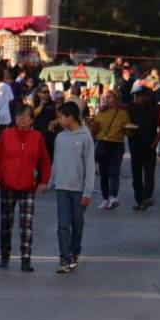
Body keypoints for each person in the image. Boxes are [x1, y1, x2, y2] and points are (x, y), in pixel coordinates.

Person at [0, 105, 51, 272]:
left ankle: (26, 257)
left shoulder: (37, 137)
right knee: (6, 222)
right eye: (19, 116)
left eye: (25, 116)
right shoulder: (6, 134)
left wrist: (44, 181)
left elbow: (45, 161)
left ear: (32, 120)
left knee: (27, 223)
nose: (21, 119)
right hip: (7, 183)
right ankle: (4, 254)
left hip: (28, 185)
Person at [47, 101, 96, 274]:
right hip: (62, 188)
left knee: (77, 224)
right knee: (62, 225)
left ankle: (74, 253)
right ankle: (64, 258)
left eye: (61, 117)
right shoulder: (60, 138)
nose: (58, 120)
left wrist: (87, 192)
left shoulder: (85, 137)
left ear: (71, 117)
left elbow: (90, 166)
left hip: (79, 190)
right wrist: (50, 183)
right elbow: (56, 163)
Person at [90, 90, 130, 209]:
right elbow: (93, 132)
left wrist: (129, 129)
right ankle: (105, 198)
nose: (107, 99)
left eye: (110, 97)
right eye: (106, 97)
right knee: (103, 173)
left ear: (117, 100)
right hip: (103, 144)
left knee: (114, 172)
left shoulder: (123, 114)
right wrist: (92, 124)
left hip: (117, 145)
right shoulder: (100, 113)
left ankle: (113, 197)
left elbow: (128, 130)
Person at [126, 86, 160, 211]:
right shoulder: (131, 108)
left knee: (149, 174)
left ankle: (146, 198)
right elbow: (119, 112)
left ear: (146, 97)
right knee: (136, 175)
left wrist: (154, 144)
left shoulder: (154, 109)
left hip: (149, 147)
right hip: (135, 146)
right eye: (135, 95)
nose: (136, 98)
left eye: (139, 95)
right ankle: (139, 200)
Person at [31, 83, 59, 159]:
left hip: (49, 137)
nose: (47, 94)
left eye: (48, 92)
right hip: (37, 136)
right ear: (38, 93)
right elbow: (30, 116)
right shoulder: (34, 104)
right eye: (44, 92)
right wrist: (40, 107)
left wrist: (55, 122)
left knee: (49, 158)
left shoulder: (53, 104)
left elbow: (59, 117)